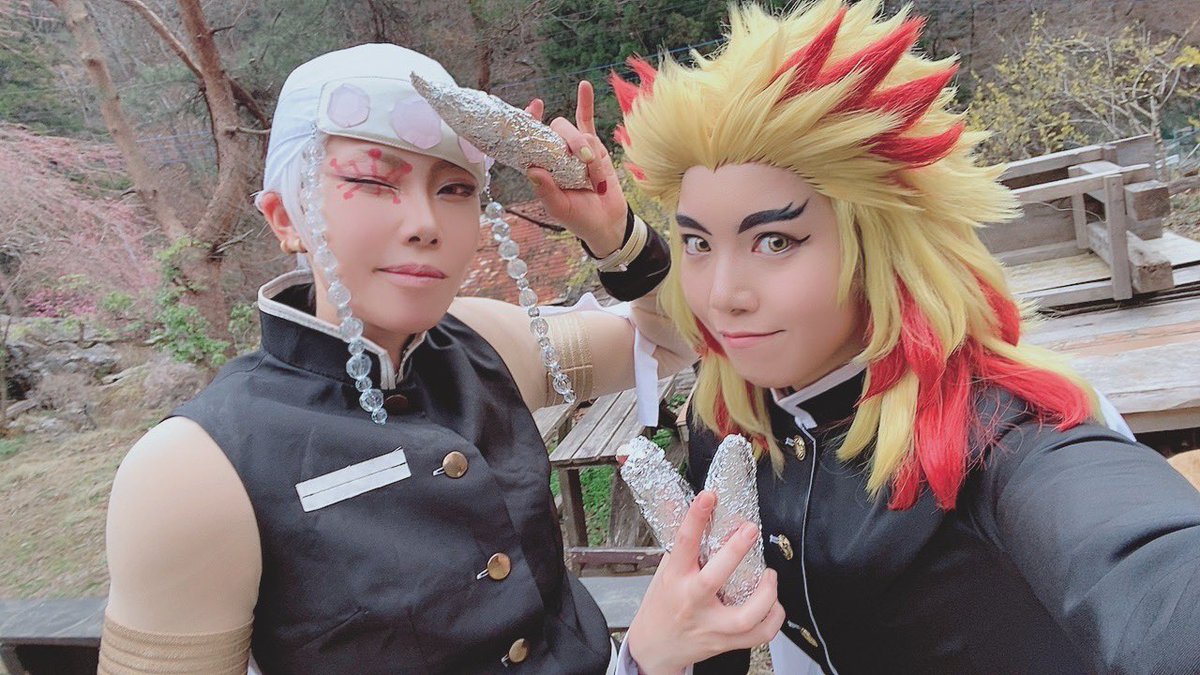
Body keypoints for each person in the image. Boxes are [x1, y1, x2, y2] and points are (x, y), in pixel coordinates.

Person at [611, 1, 1200, 673]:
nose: (722, 294)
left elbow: (1149, 570)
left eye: (774, 240)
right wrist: (647, 658)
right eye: (697, 242)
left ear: (879, 246)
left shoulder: (1000, 435)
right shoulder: (729, 423)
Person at [98, 44, 693, 674]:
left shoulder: (485, 340)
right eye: (372, 182)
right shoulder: (196, 468)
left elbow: (672, 339)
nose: (425, 222)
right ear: (285, 217)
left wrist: (612, 233)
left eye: (455, 188)